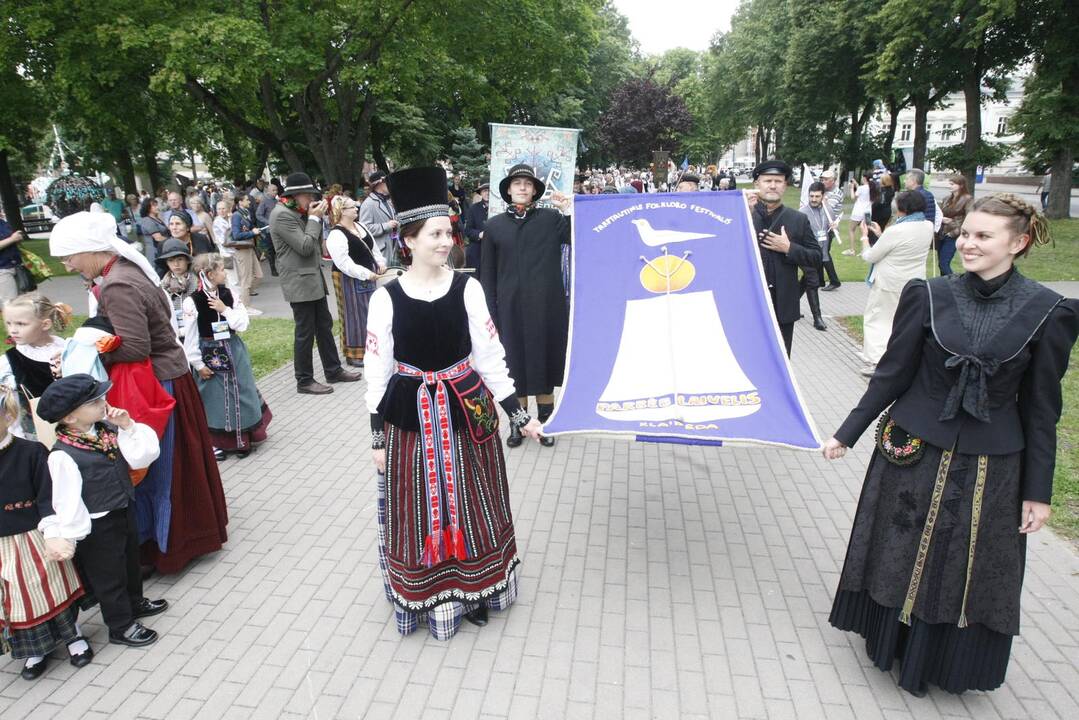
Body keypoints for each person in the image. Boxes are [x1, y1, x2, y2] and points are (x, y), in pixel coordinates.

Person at [822, 193, 1079, 697]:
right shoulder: (928, 294)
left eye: (983, 236)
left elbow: (1042, 409)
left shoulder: (1050, 311)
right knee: (902, 547)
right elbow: (892, 373)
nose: (968, 243)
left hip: (995, 464)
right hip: (916, 450)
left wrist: (1039, 492)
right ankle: (890, 641)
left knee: (968, 561)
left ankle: (948, 661)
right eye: (965, 233)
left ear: (1019, 243)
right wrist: (846, 433)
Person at [365, 167, 544, 640]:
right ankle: (432, 596)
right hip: (411, 413)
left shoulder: (469, 287)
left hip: (467, 408)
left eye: (449, 231)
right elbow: (377, 371)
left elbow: (489, 356)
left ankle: (479, 590)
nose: (447, 241)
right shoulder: (386, 298)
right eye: (436, 233)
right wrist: (377, 437)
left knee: (474, 498)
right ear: (409, 240)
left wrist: (519, 414)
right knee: (419, 503)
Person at [49, 212, 228, 575]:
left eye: (69, 257)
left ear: (90, 250)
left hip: (157, 381)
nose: (67, 265)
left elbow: (134, 346)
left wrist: (85, 348)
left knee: (159, 466)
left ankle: (169, 543)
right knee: (177, 463)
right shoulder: (125, 272)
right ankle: (186, 534)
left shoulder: (118, 283)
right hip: (169, 375)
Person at [36, 374, 169, 650]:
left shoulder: (107, 430)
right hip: (96, 523)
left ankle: (135, 602)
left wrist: (128, 426)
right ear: (71, 418)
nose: (104, 403)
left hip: (122, 506)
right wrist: (73, 535)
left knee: (131, 561)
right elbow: (66, 500)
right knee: (109, 575)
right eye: (94, 401)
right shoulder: (63, 454)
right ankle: (120, 625)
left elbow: (142, 456)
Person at [0, 385, 90, 680]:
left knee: (51, 585)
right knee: (17, 596)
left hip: (36, 534)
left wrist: (54, 530)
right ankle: (34, 649)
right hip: (2, 543)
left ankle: (74, 635)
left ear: (9, 414)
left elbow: (46, 495)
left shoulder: (30, 451)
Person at [480, 164, 572, 448]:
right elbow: (487, 275)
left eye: (528, 184)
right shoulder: (493, 226)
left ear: (534, 190)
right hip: (510, 309)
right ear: (508, 190)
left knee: (544, 365)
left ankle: (545, 424)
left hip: (547, 307)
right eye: (517, 183)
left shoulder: (551, 218)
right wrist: (490, 315)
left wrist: (570, 211)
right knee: (515, 368)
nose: (522, 187)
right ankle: (518, 425)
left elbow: (576, 237)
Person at [269, 172, 362, 395]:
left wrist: (315, 219)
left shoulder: (297, 212)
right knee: (305, 333)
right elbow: (305, 246)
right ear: (297, 195)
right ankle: (304, 380)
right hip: (299, 284)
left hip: (312, 280)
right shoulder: (282, 215)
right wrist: (313, 219)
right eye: (309, 194)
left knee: (324, 326)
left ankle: (333, 370)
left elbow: (317, 244)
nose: (312, 199)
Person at [183, 253, 271, 459]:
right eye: (222, 269)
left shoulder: (230, 293)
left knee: (241, 391)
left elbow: (242, 324)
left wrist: (225, 310)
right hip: (209, 353)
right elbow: (191, 336)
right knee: (214, 398)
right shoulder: (192, 301)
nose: (225, 272)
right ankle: (216, 443)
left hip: (233, 349)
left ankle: (243, 438)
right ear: (210, 274)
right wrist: (197, 363)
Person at [857, 191, 933, 375]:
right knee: (901, 322)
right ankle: (895, 357)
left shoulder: (897, 230)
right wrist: (882, 234)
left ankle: (876, 360)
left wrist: (865, 238)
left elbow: (871, 256)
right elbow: (902, 245)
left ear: (902, 208)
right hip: (914, 281)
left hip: (889, 283)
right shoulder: (927, 225)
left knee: (878, 320)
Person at [750, 160, 822, 356]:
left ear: (785, 185)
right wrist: (746, 214)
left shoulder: (797, 219)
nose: (773, 185)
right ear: (757, 184)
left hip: (783, 306)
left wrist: (789, 248)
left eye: (778, 181)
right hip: (749, 304)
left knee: (780, 360)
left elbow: (816, 257)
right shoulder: (743, 215)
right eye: (767, 181)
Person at [326, 194, 386, 368]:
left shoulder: (360, 226)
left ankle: (373, 349)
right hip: (349, 279)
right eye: (352, 207)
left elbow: (373, 248)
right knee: (354, 315)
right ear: (342, 211)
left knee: (370, 312)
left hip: (369, 276)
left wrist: (380, 263)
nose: (356, 208)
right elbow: (344, 263)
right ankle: (354, 354)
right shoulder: (336, 235)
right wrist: (365, 273)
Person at [1, 293, 70, 439]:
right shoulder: (11, 362)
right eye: (8, 323)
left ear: (45, 324)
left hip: (79, 427)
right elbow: (10, 408)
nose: (12, 330)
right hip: (40, 434)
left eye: (21, 324)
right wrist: (17, 440)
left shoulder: (68, 350)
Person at [798, 183, 833, 331]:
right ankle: (817, 318)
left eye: (817, 196)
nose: (813, 199)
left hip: (821, 253)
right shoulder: (802, 213)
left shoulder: (828, 210)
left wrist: (832, 228)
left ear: (823, 196)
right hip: (806, 254)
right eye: (811, 196)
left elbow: (826, 232)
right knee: (813, 282)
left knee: (806, 281)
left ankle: (790, 304)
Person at [228, 194, 264, 312]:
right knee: (246, 279)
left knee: (258, 275)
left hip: (249, 247)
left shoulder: (245, 213)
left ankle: (243, 298)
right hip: (242, 249)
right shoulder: (237, 216)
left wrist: (254, 232)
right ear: (240, 202)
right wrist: (252, 233)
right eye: (247, 200)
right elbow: (236, 235)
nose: (249, 201)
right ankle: (245, 306)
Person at [156, 239, 198, 339]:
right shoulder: (162, 285)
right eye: (171, 260)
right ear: (166, 263)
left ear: (187, 260)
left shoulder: (198, 282)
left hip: (196, 329)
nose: (176, 264)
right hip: (172, 331)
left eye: (179, 259)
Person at [937, 174, 974, 276]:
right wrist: (942, 219)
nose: (950, 186)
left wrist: (955, 232)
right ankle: (944, 286)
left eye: (952, 184)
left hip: (954, 235)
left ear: (961, 185)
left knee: (944, 264)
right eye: (950, 184)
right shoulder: (946, 199)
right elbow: (939, 214)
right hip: (942, 233)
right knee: (941, 264)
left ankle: (954, 285)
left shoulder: (968, 199)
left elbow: (969, 219)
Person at [359, 170, 398, 263]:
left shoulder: (387, 201)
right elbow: (364, 229)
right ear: (379, 184)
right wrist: (386, 226)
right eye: (387, 182)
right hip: (381, 252)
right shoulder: (368, 204)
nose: (390, 185)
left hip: (394, 247)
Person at [463, 182, 489, 276]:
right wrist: (479, 234)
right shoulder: (473, 209)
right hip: (478, 248)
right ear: (481, 193)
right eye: (485, 191)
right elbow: (468, 231)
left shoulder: (501, 208)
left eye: (490, 190)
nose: (487, 193)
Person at [0, 213, 26, 306]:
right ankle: (12, 320)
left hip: (16, 265)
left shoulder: (3, 222)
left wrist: (17, 238)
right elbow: (11, 239)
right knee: (10, 303)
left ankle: (22, 320)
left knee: (22, 301)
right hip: (2, 269)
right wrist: (12, 239)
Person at [846, 172, 875, 255]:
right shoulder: (872, 187)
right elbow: (862, 192)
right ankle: (865, 250)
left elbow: (853, 197)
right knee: (866, 231)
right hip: (868, 212)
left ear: (865, 178)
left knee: (851, 229)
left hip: (858, 212)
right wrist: (856, 184)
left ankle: (852, 250)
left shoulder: (862, 188)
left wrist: (852, 188)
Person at [255, 180, 279, 277]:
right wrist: (267, 221)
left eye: (276, 190)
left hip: (278, 228)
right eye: (273, 190)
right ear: (268, 191)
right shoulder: (264, 201)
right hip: (269, 230)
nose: (275, 192)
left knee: (278, 248)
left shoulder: (277, 201)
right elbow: (258, 214)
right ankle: (273, 269)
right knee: (270, 250)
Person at [137, 197, 169, 270]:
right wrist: (173, 240)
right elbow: (158, 238)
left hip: (162, 250)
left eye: (157, 205)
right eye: (154, 205)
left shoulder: (157, 218)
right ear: (147, 207)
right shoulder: (147, 220)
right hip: (155, 253)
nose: (157, 207)